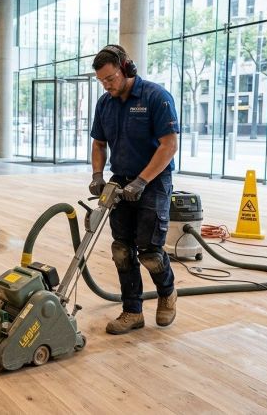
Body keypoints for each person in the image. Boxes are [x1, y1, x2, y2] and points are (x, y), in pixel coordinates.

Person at [89, 44, 180, 335]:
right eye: (102, 81)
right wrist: (97, 174)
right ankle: (132, 312)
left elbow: (169, 146)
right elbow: (99, 143)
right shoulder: (105, 103)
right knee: (122, 251)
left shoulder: (156, 97)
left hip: (154, 181)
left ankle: (167, 294)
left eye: (111, 78)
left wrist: (142, 181)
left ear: (127, 69)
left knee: (150, 251)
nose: (107, 85)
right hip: (121, 179)